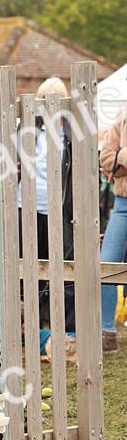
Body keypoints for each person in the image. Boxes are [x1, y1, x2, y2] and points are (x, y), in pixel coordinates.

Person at [18, 77, 75, 335]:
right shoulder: (27, 129)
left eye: (57, 96)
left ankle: (64, 332)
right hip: (27, 207)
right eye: (45, 96)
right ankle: (31, 330)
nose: (51, 101)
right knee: (30, 267)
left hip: (60, 212)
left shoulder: (73, 133)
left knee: (62, 270)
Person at [100, 105, 127, 353]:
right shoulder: (123, 116)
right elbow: (106, 158)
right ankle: (107, 332)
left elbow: (116, 159)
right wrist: (121, 156)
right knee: (106, 266)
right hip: (123, 204)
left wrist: (122, 156)